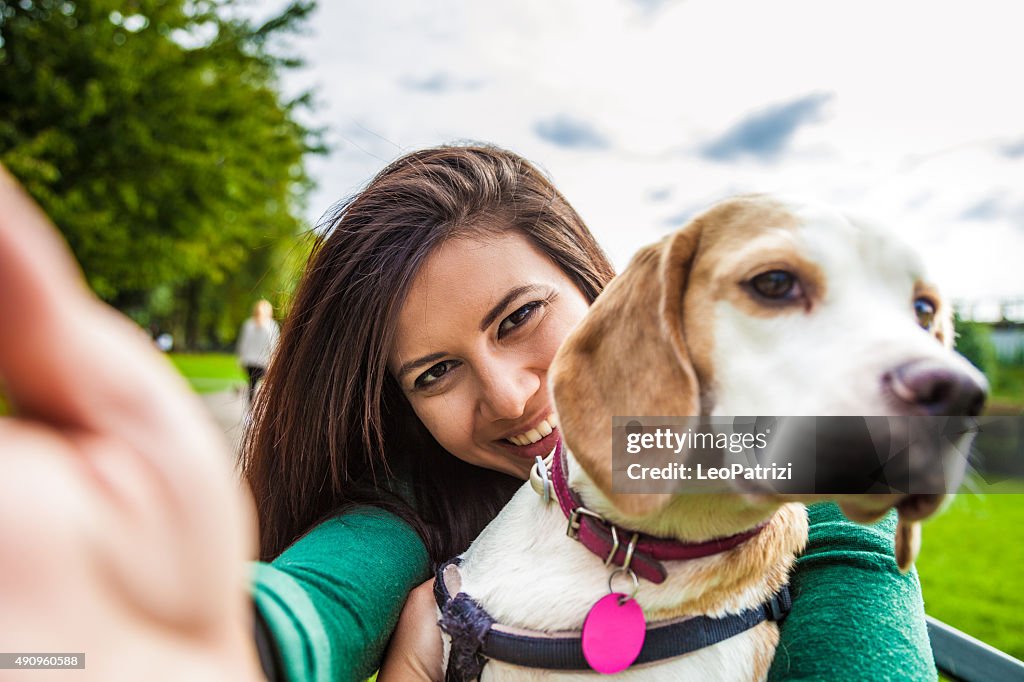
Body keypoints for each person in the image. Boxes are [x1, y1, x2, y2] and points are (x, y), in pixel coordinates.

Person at [0, 147, 936, 682]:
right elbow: (319, 599)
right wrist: (195, 643)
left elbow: (854, 536)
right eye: (437, 372)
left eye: (521, 318)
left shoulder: (756, 456)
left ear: (594, 280)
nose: (511, 394)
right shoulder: (421, 504)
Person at [237, 300, 280, 404]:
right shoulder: (271, 326)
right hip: (263, 362)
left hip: (250, 361)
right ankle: (258, 406)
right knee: (262, 385)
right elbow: (274, 345)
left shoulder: (248, 324)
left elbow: (243, 344)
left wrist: (241, 359)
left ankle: (251, 407)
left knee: (252, 384)